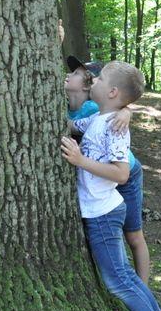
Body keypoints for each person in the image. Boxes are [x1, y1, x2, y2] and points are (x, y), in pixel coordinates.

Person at [61, 61, 161, 311]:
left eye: (100, 79)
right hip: (101, 210)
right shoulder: (96, 119)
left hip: (103, 214)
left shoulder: (114, 128)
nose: (93, 81)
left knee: (118, 281)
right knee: (125, 277)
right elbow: (70, 125)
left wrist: (80, 160)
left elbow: (121, 174)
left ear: (112, 92)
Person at [64, 55, 151, 283]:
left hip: (126, 173)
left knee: (134, 236)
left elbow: (117, 104)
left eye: (78, 74)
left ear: (89, 85)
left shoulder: (94, 107)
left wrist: (126, 112)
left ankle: (141, 288)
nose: (68, 75)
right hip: (99, 176)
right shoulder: (65, 105)